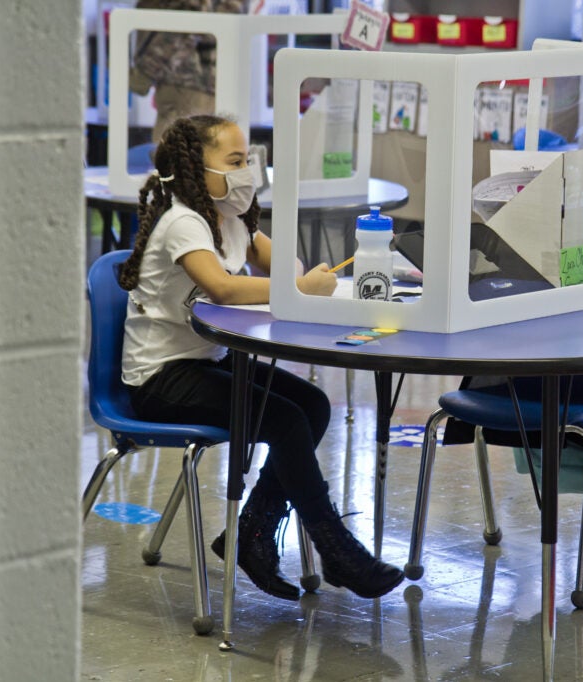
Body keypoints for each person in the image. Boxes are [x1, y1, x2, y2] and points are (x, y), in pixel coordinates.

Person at [118, 114, 405, 601]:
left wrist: (286, 265)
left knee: (311, 406)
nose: (246, 171)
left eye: (248, 160)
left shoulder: (227, 219)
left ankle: (251, 533)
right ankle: (334, 547)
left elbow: (280, 263)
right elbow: (223, 287)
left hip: (202, 362)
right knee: (285, 420)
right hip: (159, 379)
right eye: (234, 161)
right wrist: (295, 287)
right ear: (195, 167)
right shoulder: (183, 221)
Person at [128, 0, 245, 143]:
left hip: (187, 83)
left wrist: (144, 74)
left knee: (176, 152)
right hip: (197, 81)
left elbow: (184, 26)